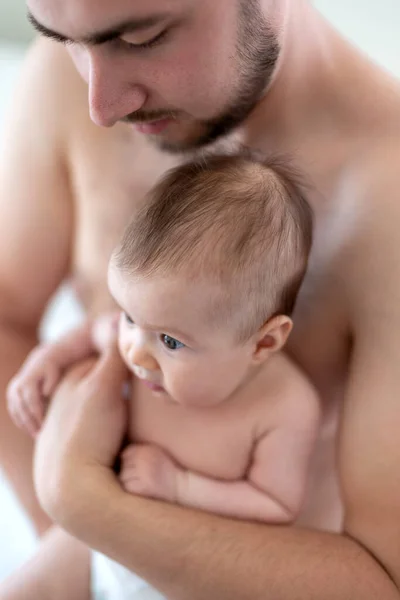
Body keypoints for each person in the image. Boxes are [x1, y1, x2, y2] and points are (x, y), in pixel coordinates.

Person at [1, 0, 400, 598]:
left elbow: (384, 576)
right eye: (65, 40)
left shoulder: (386, 197)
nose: (101, 107)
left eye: (143, 38)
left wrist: (84, 501)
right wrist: (68, 543)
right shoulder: (68, 70)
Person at [8, 154, 319, 598]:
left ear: (263, 343)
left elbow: (276, 504)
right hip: (97, 544)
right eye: (130, 316)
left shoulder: (284, 407)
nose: (135, 352)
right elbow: (93, 333)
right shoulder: (138, 335)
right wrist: (45, 362)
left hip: (189, 569)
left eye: (170, 342)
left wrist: (180, 485)